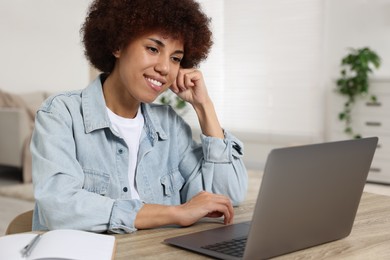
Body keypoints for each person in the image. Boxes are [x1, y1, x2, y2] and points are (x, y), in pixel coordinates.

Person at [31, 0, 248, 234]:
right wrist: (175, 213)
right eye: (153, 49)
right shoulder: (61, 114)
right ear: (118, 45)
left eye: (175, 58)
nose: (165, 68)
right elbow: (57, 207)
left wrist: (204, 106)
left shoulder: (170, 126)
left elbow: (226, 198)